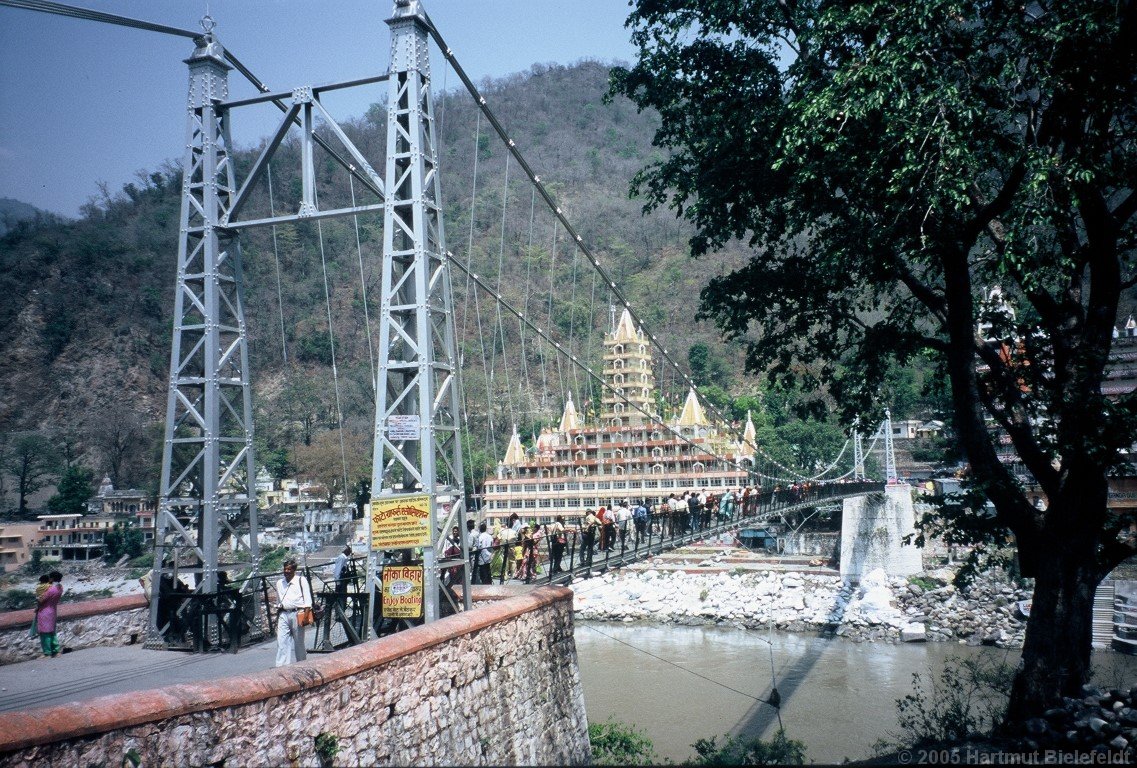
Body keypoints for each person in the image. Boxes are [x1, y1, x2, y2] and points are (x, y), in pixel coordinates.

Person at [275, 558, 312, 667]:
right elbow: (279, 600)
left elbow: (307, 600)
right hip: (284, 613)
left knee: (298, 642)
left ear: (294, 570)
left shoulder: (301, 580)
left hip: (297, 613)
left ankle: (302, 664)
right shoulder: (279, 583)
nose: (286, 571)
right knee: (281, 641)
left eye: (289, 569)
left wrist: (306, 616)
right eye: (285, 569)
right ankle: (281, 666)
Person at [36, 571, 64, 657]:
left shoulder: (50, 589)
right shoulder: (60, 588)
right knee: (52, 632)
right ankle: (56, 651)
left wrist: (37, 597)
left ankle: (47, 652)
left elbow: (41, 600)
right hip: (53, 611)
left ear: (51, 578)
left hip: (45, 611)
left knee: (45, 633)